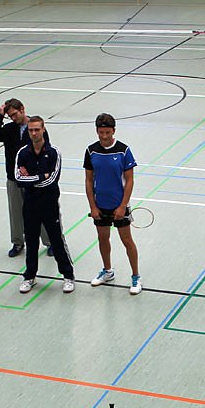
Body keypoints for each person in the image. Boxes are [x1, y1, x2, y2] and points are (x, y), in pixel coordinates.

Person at [14, 116, 75, 294]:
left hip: (49, 204)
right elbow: (19, 179)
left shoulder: (54, 152)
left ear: (43, 130)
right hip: (30, 205)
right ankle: (29, 276)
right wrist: (41, 176)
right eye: (31, 130)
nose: (34, 133)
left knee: (56, 240)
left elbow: (52, 180)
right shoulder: (22, 153)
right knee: (31, 240)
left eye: (37, 130)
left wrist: (31, 179)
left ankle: (68, 275)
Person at [84, 113, 142, 295]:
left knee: (127, 241)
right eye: (101, 133)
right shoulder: (91, 151)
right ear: (97, 131)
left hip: (119, 205)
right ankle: (108, 271)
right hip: (100, 205)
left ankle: (136, 277)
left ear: (113, 131)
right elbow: (88, 180)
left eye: (107, 132)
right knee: (103, 239)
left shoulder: (123, 151)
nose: (104, 136)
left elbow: (130, 180)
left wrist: (122, 206)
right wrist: (93, 206)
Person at [0, 98, 51, 258]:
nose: (13, 118)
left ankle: (50, 242)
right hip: (14, 179)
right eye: (10, 116)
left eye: (15, 114)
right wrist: (0, 117)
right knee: (15, 212)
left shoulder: (35, 129)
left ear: (22, 109)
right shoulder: (9, 129)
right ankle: (18, 242)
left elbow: (45, 152)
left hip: (34, 180)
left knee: (41, 211)